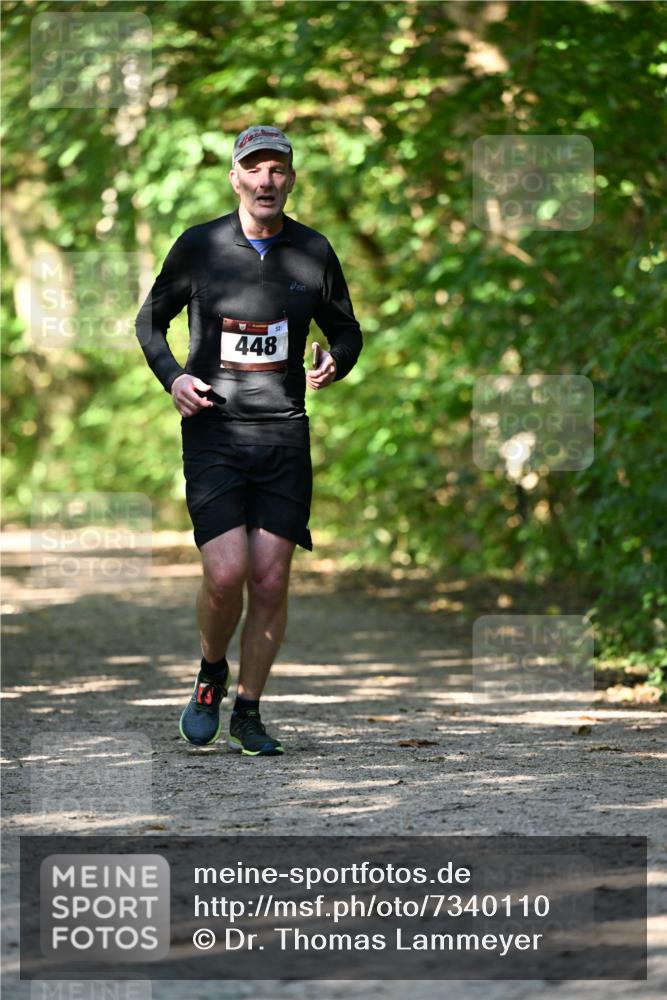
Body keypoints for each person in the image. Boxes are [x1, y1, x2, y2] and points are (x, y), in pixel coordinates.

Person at [135, 125, 363, 756]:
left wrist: (335, 360)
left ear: (290, 179)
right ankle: (212, 671)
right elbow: (150, 321)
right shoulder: (200, 245)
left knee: (270, 579)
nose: (267, 180)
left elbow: (347, 329)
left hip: (284, 434)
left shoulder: (313, 251)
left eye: (278, 170)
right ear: (235, 177)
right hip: (214, 431)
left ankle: (251, 712)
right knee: (227, 573)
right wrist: (174, 377)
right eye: (254, 169)